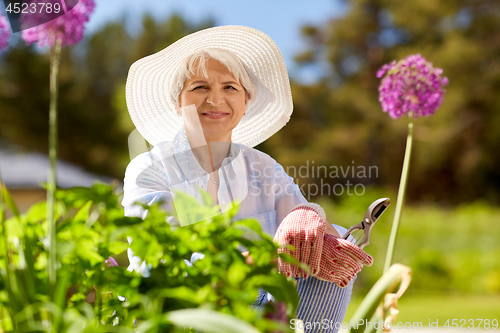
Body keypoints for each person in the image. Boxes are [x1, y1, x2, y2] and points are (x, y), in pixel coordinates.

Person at [122, 25, 372, 332]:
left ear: (246, 102)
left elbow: (307, 225)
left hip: (259, 308)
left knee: (324, 256)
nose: (215, 99)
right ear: (178, 102)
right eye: (200, 87)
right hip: (178, 313)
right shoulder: (149, 168)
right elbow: (159, 263)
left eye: (230, 87)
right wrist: (266, 259)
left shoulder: (261, 165)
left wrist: (309, 218)